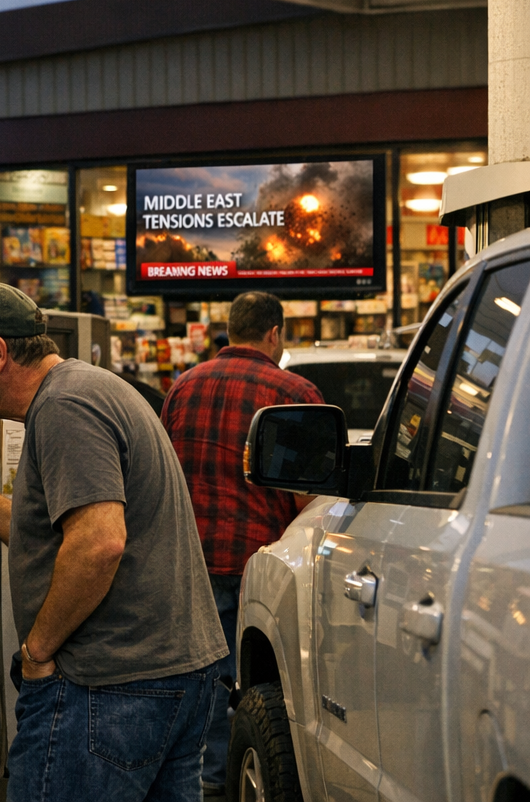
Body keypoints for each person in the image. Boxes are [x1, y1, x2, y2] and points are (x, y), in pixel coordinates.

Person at [0, 281, 227, 802]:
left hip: (110, 687)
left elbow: (100, 544)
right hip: (173, 675)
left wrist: (37, 651)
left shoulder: (65, 408)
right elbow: (57, 536)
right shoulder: (90, 388)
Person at [161, 292, 323, 796]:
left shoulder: (181, 389)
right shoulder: (294, 392)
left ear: (230, 330)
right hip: (261, 567)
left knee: (196, 683)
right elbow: (308, 500)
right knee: (257, 695)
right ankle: (227, 784)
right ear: (274, 333)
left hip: (190, 563)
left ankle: (196, 785)